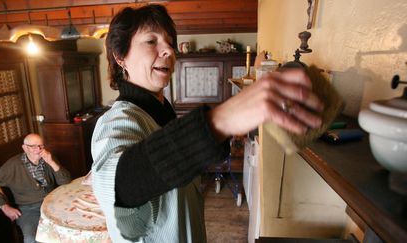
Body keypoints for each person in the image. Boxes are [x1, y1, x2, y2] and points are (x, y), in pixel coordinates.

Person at [91, 4, 324, 243]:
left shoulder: (161, 111)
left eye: (170, 42)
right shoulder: (116, 121)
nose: (168, 51)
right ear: (121, 57)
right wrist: (219, 120)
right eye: (151, 41)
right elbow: (118, 183)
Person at [0, 133, 71, 243]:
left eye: (41, 146)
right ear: (25, 148)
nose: (38, 149)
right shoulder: (13, 165)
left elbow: (66, 181)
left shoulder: (48, 158)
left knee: (69, 229)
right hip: (29, 209)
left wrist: (52, 162)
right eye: (33, 146)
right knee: (31, 239)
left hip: (53, 203)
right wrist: (5, 207)